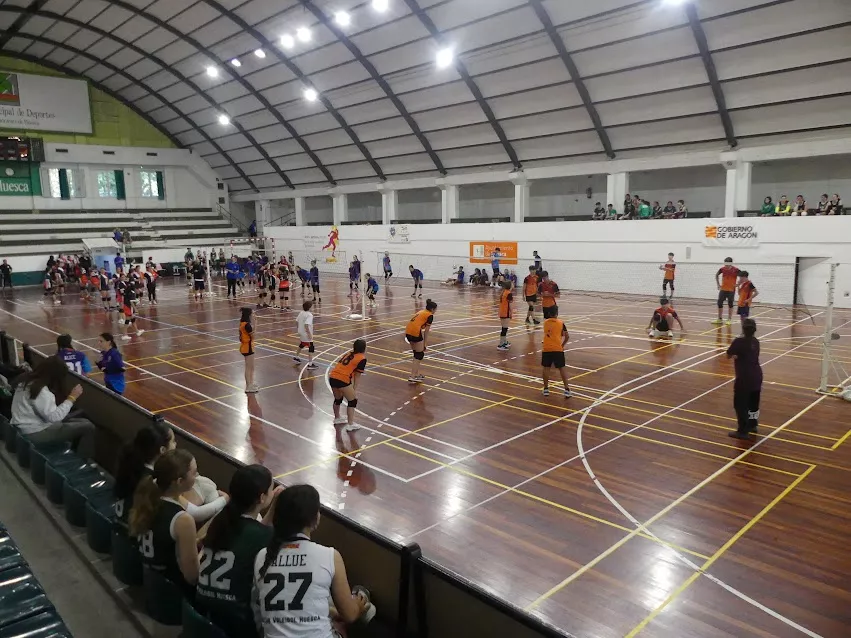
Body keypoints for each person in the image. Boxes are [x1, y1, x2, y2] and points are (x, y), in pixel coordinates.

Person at [253, 485, 375, 637]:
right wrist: (359, 604)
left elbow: (281, 603)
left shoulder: (262, 556)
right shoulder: (329, 555)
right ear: (315, 519)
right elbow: (350, 615)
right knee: (356, 614)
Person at [197, 465, 279, 637]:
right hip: (237, 623)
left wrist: (271, 512)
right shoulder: (262, 536)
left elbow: (249, 534)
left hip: (204, 612)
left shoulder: (221, 520)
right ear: (262, 497)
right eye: (271, 489)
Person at [129, 449, 200, 597]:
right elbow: (192, 577)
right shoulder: (183, 520)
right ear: (180, 482)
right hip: (170, 594)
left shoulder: (147, 499)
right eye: (194, 473)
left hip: (148, 583)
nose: (197, 476)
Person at [10, 356, 95, 455]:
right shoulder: (42, 391)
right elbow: (54, 417)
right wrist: (72, 398)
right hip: (35, 433)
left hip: (23, 428)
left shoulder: (25, 381)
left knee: (83, 421)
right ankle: (83, 462)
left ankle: (74, 454)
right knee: (88, 427)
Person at [113, 422, 176, 524]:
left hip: (122, 517)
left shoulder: (129, 462)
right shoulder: (153, 481)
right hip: (134, 527)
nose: (175, 445)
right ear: (163, 450)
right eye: (173, 442)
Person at [727, 318, 763, 440]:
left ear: (743, 328)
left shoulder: (738, 342)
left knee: (740, 404)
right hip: (757, 376)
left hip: (744, 378)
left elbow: (728, 354)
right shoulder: (756, 342)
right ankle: (753, 424)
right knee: (753, 402)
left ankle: (743, 430)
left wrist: (735, 355)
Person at [329, 339, 367, 432]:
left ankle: (337, 418)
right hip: (342, 379)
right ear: (364, 348)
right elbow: (357, 376)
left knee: (338, 399)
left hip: (332, 376)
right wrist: (354, 389)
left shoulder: (348, 354)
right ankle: (350, 424)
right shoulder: (362, 358)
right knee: (353, 400)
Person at [541, 307, 571, 398]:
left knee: (546, 368)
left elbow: (550, 332)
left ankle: (546, 389)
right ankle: (567, 389)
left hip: (546, 348)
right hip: (557, 348)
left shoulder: (545, 323)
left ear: (549, 314)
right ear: (557, 313)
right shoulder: (561, 323)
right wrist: (562, 345)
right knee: (562, 368)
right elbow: (567, 336)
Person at [406, 300, 436, 383]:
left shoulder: (422, 311)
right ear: (432, 309)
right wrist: (425, 344)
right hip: (415, 332)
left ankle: (415, 375)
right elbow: (426, 331)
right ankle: (412, 376)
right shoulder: (430, 315)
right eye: (435, 309)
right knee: (419, 354)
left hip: (408, 331)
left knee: (416, 354)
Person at [713, 257, 740, 325]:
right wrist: (718, 285)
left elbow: (743, 276)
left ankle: (729, 319)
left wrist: (738, 284)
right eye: (725, 264)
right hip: (723, 289)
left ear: (731, 263)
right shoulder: (722, 269)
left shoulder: (736, 270)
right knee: (719, 302)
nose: (726, 266)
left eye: (727, 264)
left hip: (731, 290)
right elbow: (716, 275)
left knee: (730, 304)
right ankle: (719, 319)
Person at [239, 307, 259, 394]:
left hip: (246, 346)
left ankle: (251, 383)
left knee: (251, 367)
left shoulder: (242, 323)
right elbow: (253, 336)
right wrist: (256, 323)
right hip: (248, 347)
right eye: (252, 313)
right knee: (249, 367)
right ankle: (248, 386)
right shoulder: (247, 325)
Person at [294, 301, 316, 369]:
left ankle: (296, 357)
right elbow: (306, 325)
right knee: (311, 347)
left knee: (302, 344)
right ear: (309, 307)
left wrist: (299, 329)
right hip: (306, 333)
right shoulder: (309, 315)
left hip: (301, 332)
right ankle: (310, 364)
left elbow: (296, 321)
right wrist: (309, 334)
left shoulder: (301, 312)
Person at [497, 281, 513, 351]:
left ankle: (504, 342)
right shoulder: (509, 293)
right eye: (512, 284)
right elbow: (510, 305)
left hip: (502, 312)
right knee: (504, 329)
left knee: (504, 328)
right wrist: (511, 313)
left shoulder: (504, 292)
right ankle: (501, 344)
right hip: (505, 312)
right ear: (510, 286)